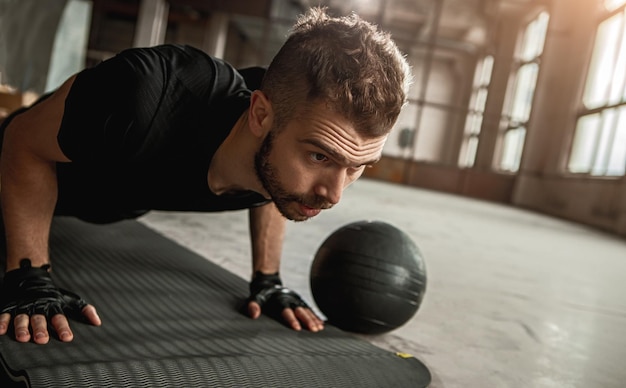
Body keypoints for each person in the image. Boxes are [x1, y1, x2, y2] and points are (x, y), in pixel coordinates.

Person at [0, 7, 411, 345]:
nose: (334, 193)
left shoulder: (280, 134)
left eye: (356, 166)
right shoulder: (143, 95)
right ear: (260, 115)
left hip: (103, 203)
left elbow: (275, 186)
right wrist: (29, 274)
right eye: (320, 156)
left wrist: (266, 279)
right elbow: (22, 143)